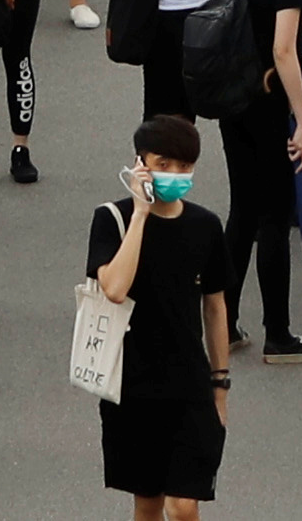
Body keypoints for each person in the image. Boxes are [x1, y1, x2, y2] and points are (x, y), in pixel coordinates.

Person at [84, 117, 231, 521]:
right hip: (132, 388)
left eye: (185, 167)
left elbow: (215, 305)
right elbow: (114, 288)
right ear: (140, 164)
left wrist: (220, 385)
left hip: (190, 386)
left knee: (183, 506)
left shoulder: (205, 226)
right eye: (164, 164)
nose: (175, 175)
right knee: (147, 504)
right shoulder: (110, 220)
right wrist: (140, 215)